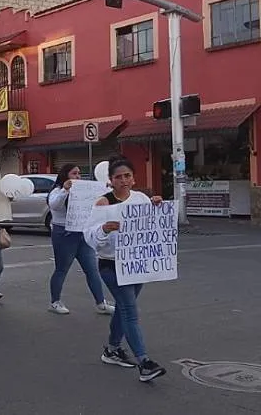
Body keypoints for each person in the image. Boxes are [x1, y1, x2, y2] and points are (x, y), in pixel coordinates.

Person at [84, 156, 167, 382]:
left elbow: (152, 225)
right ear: (111, 180)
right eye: (118, 177)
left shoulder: (141, 198)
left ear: (134, 178)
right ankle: (145, 362)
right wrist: (104, 228)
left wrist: (158, 206)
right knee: (130, 310)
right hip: (111, 265)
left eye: (127, 176)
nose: (124, 180)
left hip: (136, 264)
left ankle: (111, 350)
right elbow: (90, 237)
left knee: (123, 307)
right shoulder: (103, 203)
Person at [47, 164, 114, 316]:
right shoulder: (57, 191)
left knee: (92, 270)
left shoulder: (84, 190)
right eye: (74, 173)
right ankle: (55, 301)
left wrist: (108, 188)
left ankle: (100, 303)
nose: (78, 176)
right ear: (66, 175)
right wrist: (65, 190)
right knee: (62, 269)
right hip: (64, 234)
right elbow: (54, 205)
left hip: (82, 233)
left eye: (79, 174)